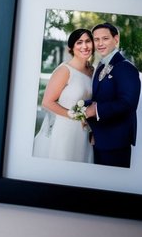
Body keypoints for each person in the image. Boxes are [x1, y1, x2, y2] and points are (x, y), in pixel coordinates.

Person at [32, 28, 95, 163]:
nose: (84, 46)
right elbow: (47, 102)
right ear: (71, 47)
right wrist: (75, 115)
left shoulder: (92, 71)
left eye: (88, 41)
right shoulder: (64, 70)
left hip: (83, 132)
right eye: (79, 42)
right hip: (64, 129)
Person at [84, 22, 141, 167]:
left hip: (116, 142)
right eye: (96, 39)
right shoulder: (100, 66)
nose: (100, 43)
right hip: (100, 139)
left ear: (116, 39)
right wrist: (93, 129)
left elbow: (128, 103)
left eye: (105, 38)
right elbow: (100, 97)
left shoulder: (126, 68)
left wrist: (95, 110)